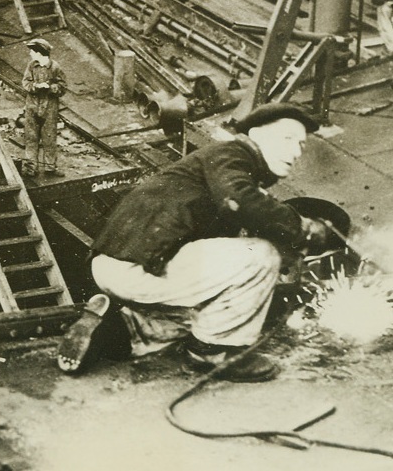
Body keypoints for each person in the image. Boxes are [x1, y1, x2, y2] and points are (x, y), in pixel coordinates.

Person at [57, 103, 331, 383]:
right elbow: (238, 200)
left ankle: (114, 332)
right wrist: (303, 229)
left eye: (300, 144)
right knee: (262, 255)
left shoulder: (217, 164)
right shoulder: (231, 154)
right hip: (138, 266)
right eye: (287, 139)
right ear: (257, 133)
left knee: (200, 318)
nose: (296, 152)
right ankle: (217, 352)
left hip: (116, 266)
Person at [21, 38, 64, 177]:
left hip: (49, 108)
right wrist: (34, 86)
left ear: (40, 53)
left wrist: (51, 88)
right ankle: (30, 168)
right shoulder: (31, 66)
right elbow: (25, 82)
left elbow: (63, 87)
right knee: (31, 137)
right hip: (32, 106)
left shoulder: (55, 67)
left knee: (49, 138)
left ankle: (50, 168)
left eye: (32, 51)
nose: (31, 54)